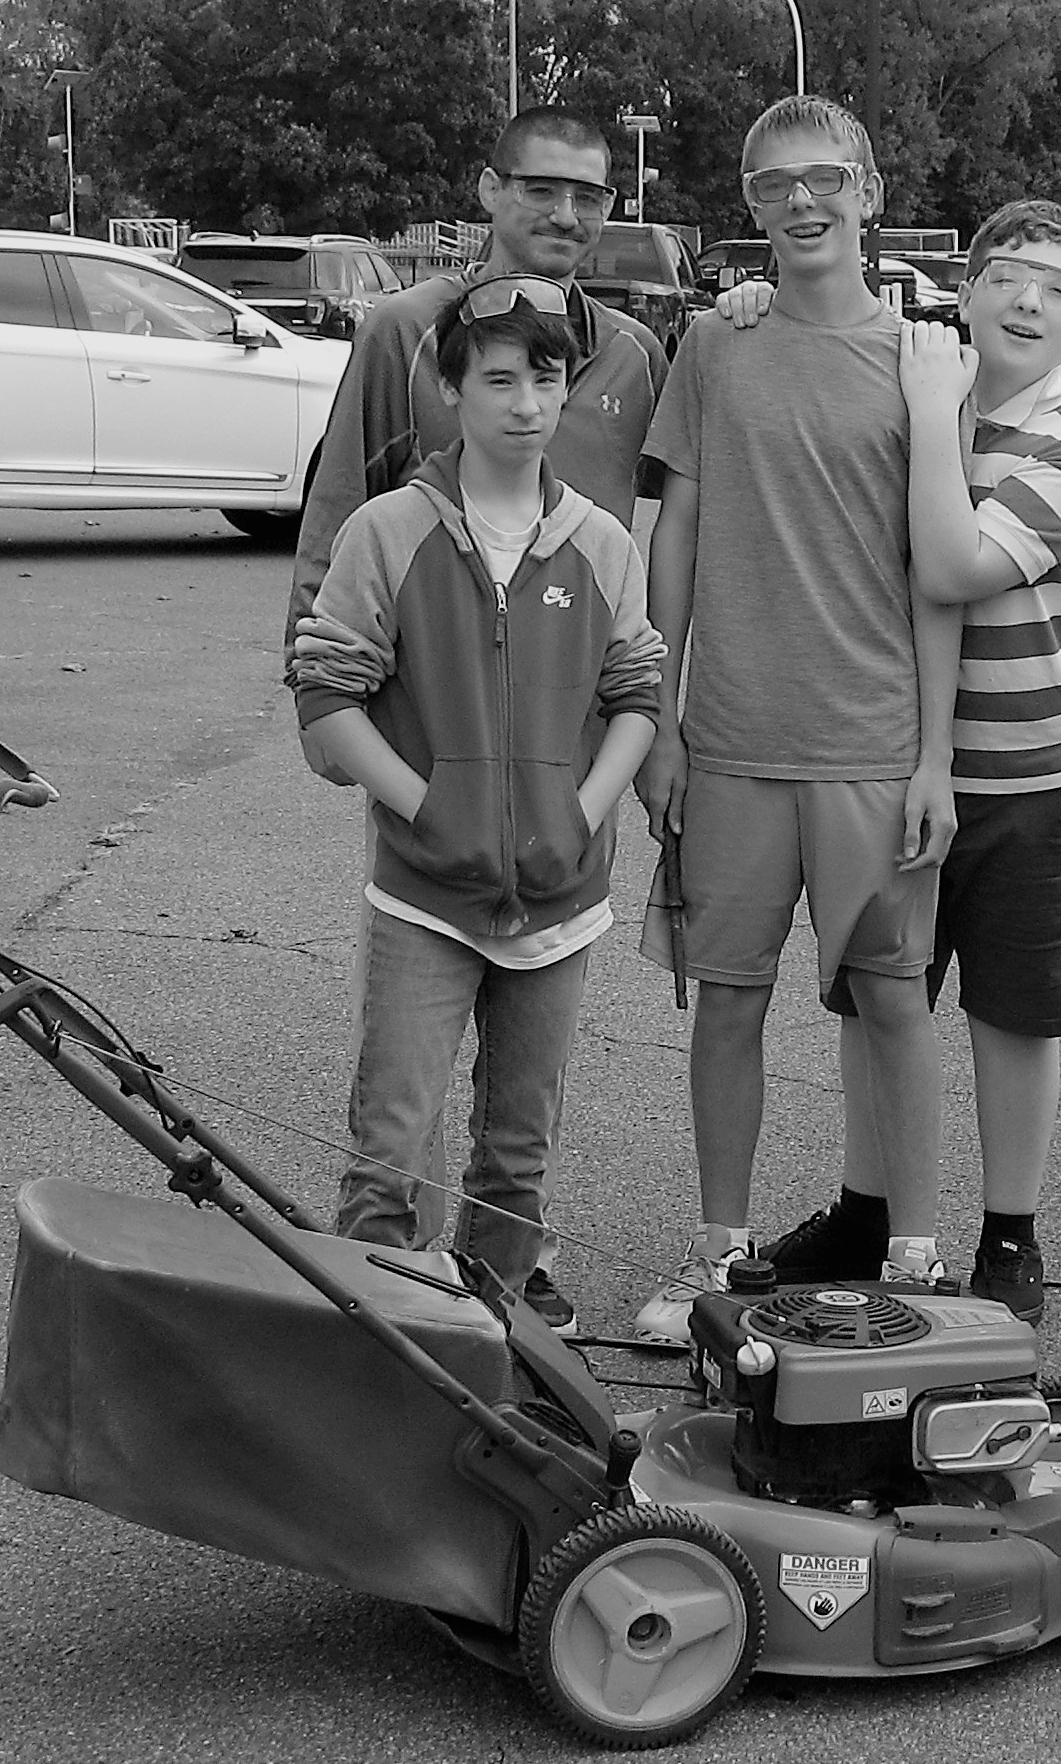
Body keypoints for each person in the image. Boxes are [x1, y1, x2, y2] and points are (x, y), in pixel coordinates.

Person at [287, 105, 666, 1331]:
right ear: (491, 188)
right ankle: (378, 1332)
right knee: (393, 1124)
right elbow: (343, 519)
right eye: (542, 190)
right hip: (435, 764)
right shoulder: (405, 336)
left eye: (592, 196)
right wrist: (344, 730)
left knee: (523, 1131)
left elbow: (635, 659)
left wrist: (593, 795)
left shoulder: (632, 355)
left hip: (560, 800)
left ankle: (503, 1320)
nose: (567, 215)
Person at [720, 201, 1061, 1323]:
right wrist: (757, 300)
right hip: (895, 762)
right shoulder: (913, 381)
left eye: (1054, 286)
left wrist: (934, 412)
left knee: (1013, 1015)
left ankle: (1010, 1231)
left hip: (1023, 785)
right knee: (877, 1002)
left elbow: (945, 566)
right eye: (1004, 276)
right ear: (966, 292)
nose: (1026, 300)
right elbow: (806, 318)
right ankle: (868, 1201)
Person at [627, 94, 958, 1347]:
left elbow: (939, 570)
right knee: (728, 999)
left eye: (823, 178)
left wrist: (934, 756)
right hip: (732, 740)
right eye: (773, 187)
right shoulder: (717, 346)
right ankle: (723, 1255)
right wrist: (661, 716)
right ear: (752, 208)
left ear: (869, 188)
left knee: (894, 999)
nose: (801, 205)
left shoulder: (924, 365)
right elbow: (683, 533)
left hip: (871, 742)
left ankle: (919, 1266)